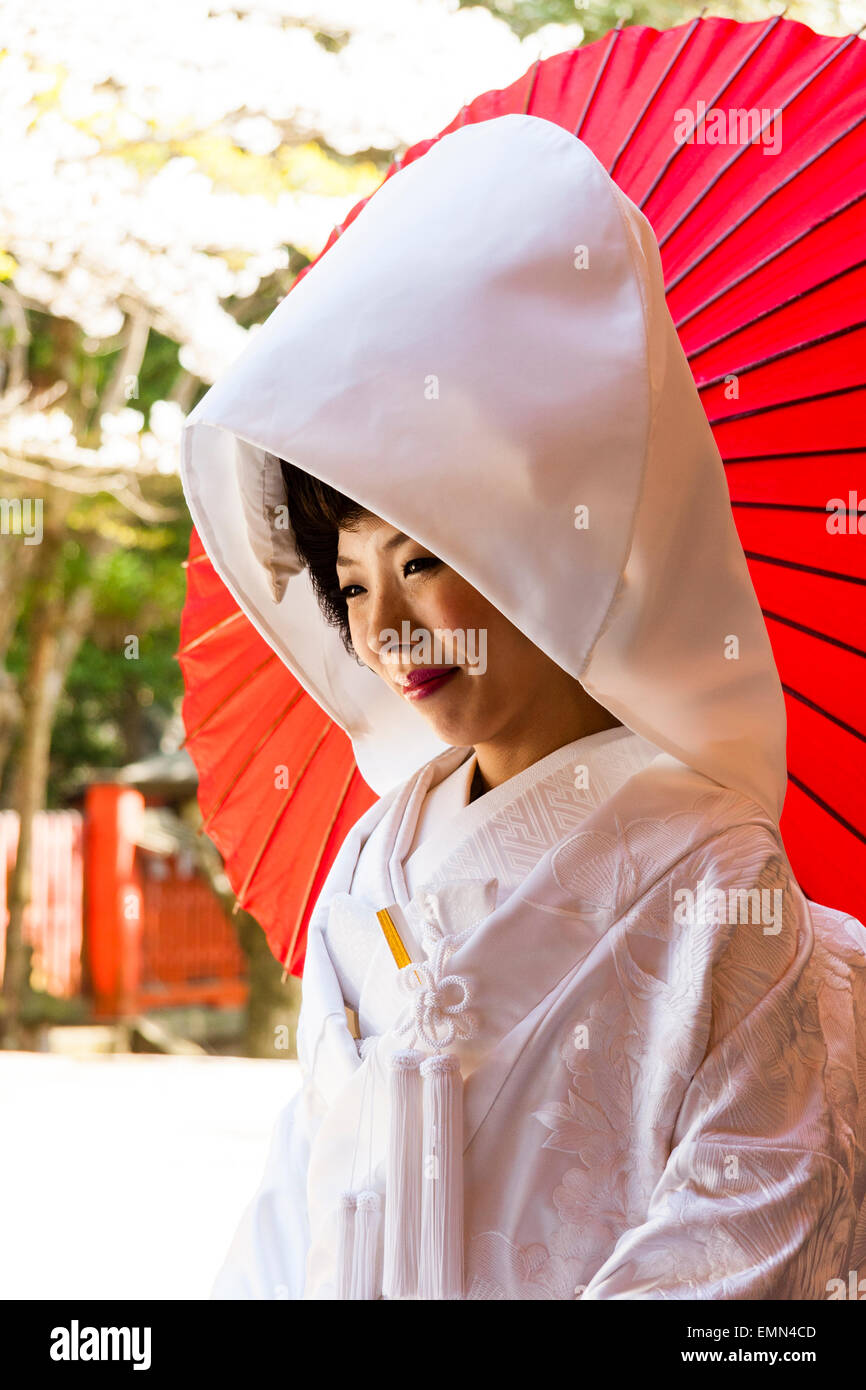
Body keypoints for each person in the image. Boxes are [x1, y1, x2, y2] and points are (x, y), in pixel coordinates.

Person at [180, 113, 866, 1299]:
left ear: (542, 535)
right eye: (349, 582)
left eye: (421, 558)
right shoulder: (368, 867)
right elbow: (297, 1212)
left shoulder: (712, 879)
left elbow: (748, 1240)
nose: (384, 630)